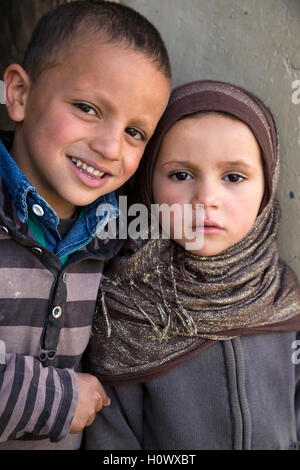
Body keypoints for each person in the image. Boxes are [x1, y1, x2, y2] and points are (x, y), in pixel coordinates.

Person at [84, 80, 300, 450]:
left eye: (234, 177)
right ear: (147, 185)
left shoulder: (283, 297)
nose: (206, 199)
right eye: (181, 175)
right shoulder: (123, 307)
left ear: (267, 185)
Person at [0, 0, 171, 450]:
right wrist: (55, 400)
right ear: (18, 94)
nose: (111, 147)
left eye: (136, 132)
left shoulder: (113, 234)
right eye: (87, 107)